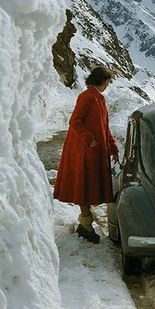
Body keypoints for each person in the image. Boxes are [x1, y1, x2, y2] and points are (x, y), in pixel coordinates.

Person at [53, 66, 119, 244]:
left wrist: (112, 147)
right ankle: (86, 225)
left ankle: (85, 224)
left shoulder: (99, 98)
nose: (108, 84)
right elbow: (75, 121)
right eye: (108, 81)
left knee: (89, 185)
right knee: (84, 185)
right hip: (84, 150)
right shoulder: (86, 97)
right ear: (102, 80)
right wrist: (90, 140)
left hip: (94, 150)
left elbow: (104, 127)